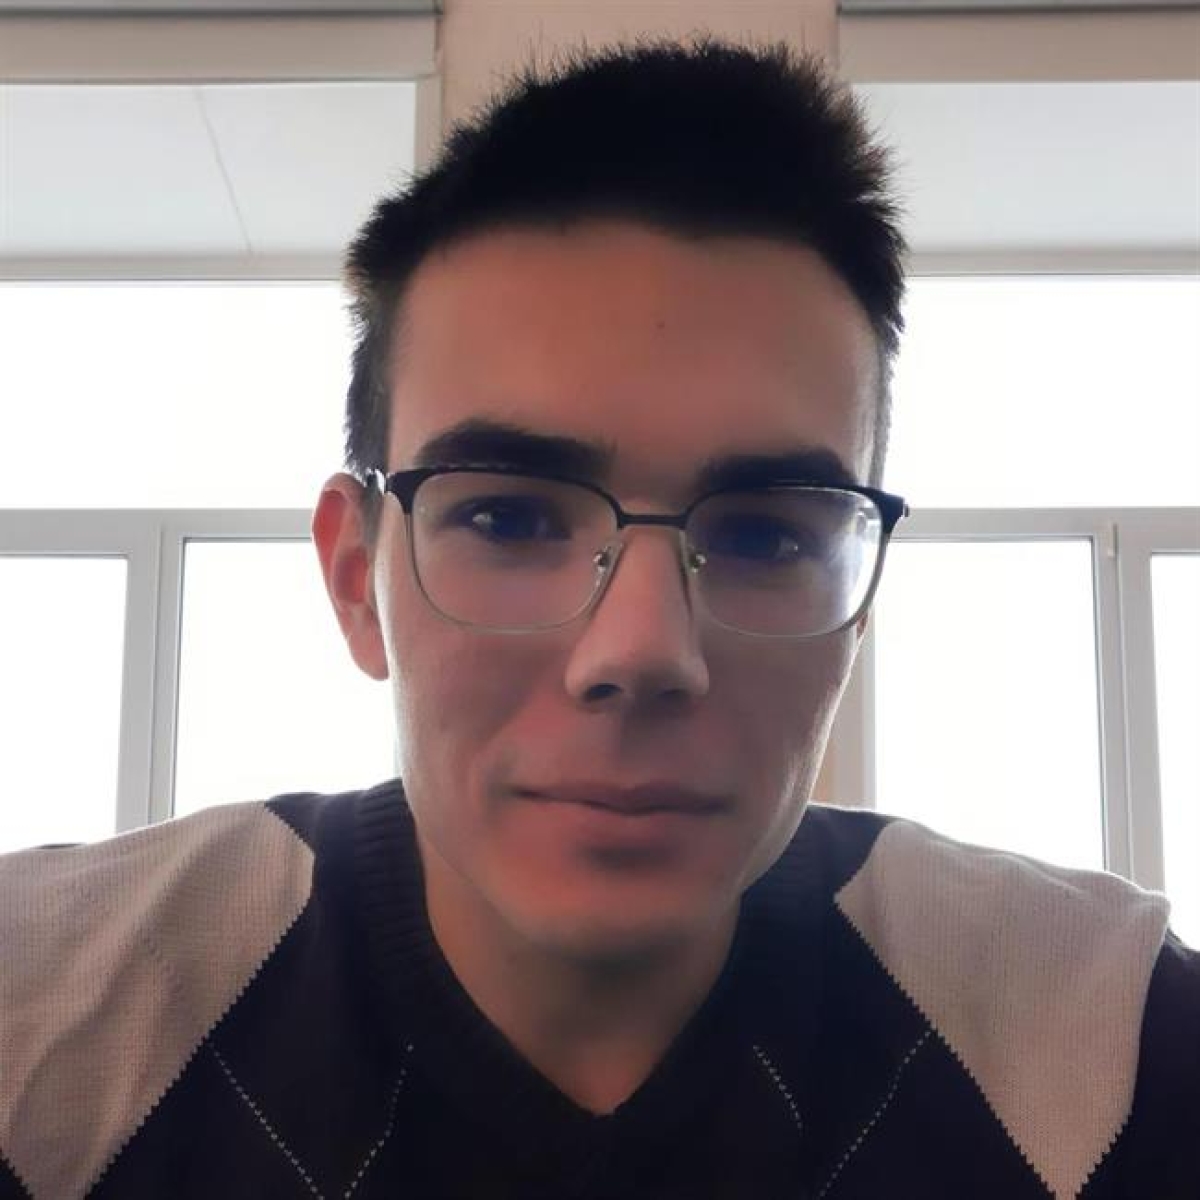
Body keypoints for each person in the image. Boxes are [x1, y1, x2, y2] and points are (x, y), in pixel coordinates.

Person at [1, 38, 1196, 1200]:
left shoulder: (1106, 1046)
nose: (642, 652)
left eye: (768, 537)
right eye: (511, 519)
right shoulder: (47, 1021)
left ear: (860, 606)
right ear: (359, 579)